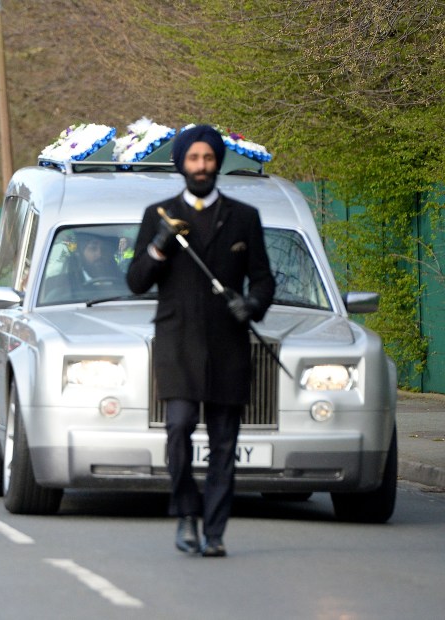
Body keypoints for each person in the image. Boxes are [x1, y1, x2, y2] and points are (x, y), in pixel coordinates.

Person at [125, 124, 275, 558]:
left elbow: (264, 279)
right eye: (194, 159)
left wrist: (253, 305)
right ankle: (186, 513)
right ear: (182, 164)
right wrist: (158, 247)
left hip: (229, 345)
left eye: (208, 158)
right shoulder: (160, 214)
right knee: (178, 428)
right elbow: (136, 282)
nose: (202, 166)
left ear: (217, 163)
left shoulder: (244, 216)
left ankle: (215, 532)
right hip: (178, 343)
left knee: (224, 442)